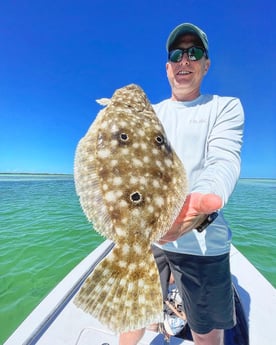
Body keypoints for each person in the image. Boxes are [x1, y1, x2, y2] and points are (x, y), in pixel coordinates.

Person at [119, 22, 244, 345]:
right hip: (149, 236)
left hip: (203, 243)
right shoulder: (149, 114)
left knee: (205, 331)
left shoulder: (224, 107)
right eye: (177, 54)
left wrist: (202, 202)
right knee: (132, 314)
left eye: (194, 52)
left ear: (206, 64)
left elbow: (223, 160)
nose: (184, 60)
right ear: (167, 67)